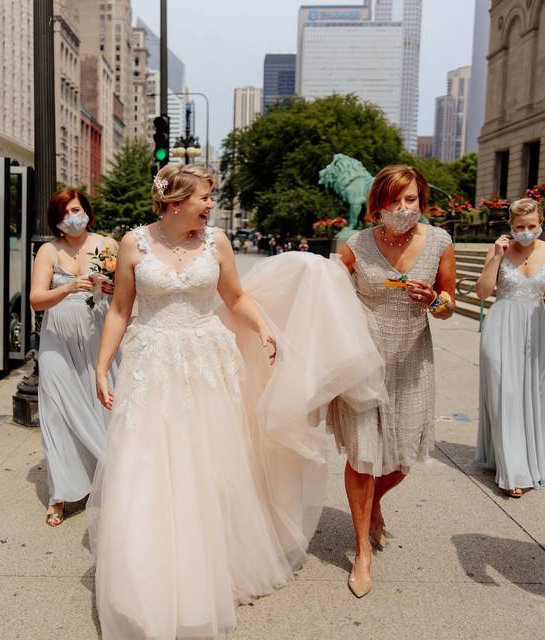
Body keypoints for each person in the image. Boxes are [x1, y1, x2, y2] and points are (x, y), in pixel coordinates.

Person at [88, 164, 385, 638]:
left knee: (209, 466)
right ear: (175, 200)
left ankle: (210, 567)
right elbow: (121, 309)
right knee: (146, 464)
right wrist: (103, 366)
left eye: (210, 198)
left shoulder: (217, 243)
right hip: (153, 363)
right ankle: (144, 578)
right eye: (204, 197)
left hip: (207, 361)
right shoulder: (133, 243)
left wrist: (264, 326)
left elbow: (236, 297)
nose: (210, 205)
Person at [332, 165, 457, 598]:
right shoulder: (357, 244)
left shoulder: (439, 241)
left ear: (422, 200)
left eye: (411, 200)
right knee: (364, 455)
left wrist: (434, 302)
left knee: (402, 457)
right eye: (394, 200)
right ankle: (361, 547)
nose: (403, 209)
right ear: (378, 204)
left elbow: (449, 303)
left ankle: (374, 504)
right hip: (364, 357)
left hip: (411, 360)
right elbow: (327, 285)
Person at [28, 188, 117, 527]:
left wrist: (110, 286)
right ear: (56, 219)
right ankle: (60, 493)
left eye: (77, 209)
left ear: (88, 212)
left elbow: (126, 289)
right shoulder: (48, 251)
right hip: (57, 341)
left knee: (101, 406)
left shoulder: (107, 244)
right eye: (65, 212)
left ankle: (108, 479)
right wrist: (68, 287)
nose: (72, 217)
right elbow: (37, 300)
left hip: (97, 337)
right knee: (57, 413)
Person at [474, 198, 545, 497]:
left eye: (532, 226)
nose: (526, 232)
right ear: (511, 227)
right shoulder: (501, 250)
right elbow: (481, 291)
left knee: (530, 392)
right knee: (506, 393)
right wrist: (496, 257)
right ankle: (514, 471)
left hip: (534, 329)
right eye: (520, 227)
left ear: (541, 223)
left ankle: (525, 457)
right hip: (500, 325)